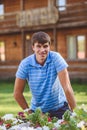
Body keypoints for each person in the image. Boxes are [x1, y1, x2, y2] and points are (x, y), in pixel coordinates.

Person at [13, 31, 76, 119]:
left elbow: (67, 87)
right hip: (37, 111)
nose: (42, 50)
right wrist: (31, 113)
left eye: (45, 46)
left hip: (60, 108)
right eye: (38, 46)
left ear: (49, 47)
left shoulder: (56, 58)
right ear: (33, 47)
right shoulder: (25, 64)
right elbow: (17, 93)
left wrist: (74, 113)